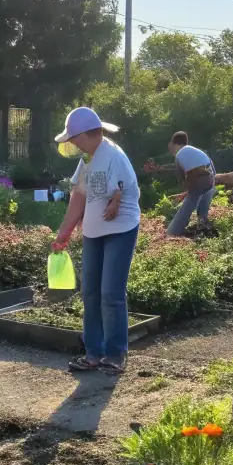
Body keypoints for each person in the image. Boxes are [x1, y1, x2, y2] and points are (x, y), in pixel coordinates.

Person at [52, 106, 141, 374]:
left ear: (86, 134)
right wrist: (63, 234)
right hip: (93, 232)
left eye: (74, 138)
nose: (72, 143)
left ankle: (115, 355)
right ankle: (94, 353)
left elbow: (129, 186)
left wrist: (116, 200)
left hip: (120, 230)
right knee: (90, 291)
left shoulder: (114, 155)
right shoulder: (87, 160)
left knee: (111, 293)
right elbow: (78, 198)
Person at [165, 131, 216, 237]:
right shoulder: (192, 151)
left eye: (171, 145)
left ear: (174, 143)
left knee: (185, 210)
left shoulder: (180, 154)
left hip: (200, 181)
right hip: (210, 180)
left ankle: (172, 234)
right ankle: (204, 229)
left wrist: (188, 189)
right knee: (202, 213)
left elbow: (187, 174)